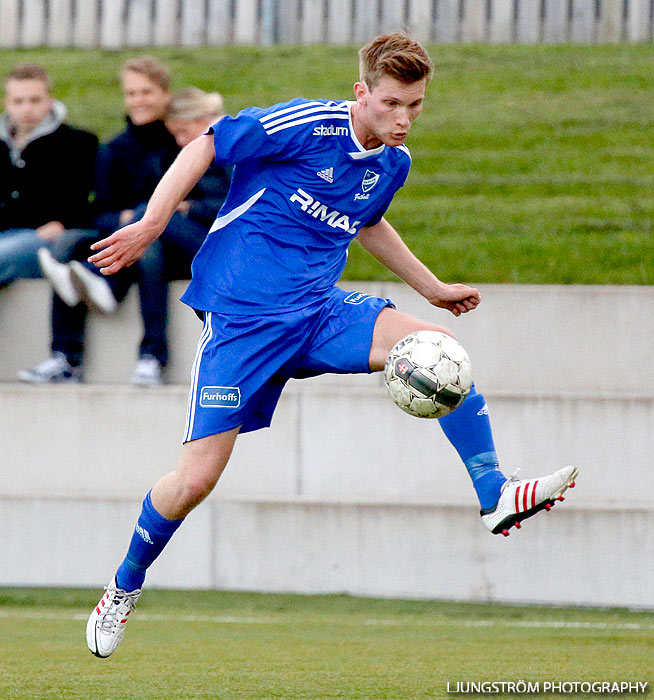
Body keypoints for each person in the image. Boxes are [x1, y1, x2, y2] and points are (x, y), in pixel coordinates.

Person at [85, 33, 579, 658]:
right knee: (194, 482)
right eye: (392, 103)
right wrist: (153, 224)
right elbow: (208, 143)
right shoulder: (306, 126)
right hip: (243, 323)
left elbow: (368, 222)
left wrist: (430, 289)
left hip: (319, 312)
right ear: (362, 92)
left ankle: (494, 493)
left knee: (439, 348)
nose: (404, 119)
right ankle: (124, 584)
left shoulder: (391, 163)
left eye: (416, 105)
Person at [25, 86, 232, 385]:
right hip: (183, 236)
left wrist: (191, 207)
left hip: (223, 242)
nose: (180, 141)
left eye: (183, 131)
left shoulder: (233, 146)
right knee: (137, 240)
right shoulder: (178, 149)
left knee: (147, 218)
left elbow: (240, 203)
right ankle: (82, 351)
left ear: (204, 119)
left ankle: (106, 281)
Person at [18, 56, 179, 384]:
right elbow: (102, 210)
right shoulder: (114, 149)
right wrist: (124, 219)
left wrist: (139, 218)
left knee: (147, 244)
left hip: (165, 241)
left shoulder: (179, 142)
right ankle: (65, 359)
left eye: (146, 92)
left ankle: (151, 357)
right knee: (64, 245)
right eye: (131, 93)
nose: (137, 100)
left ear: (165, 94)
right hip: (117, 232)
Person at [0, 63, 97, 287]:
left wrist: (63, 222)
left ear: (49, 101)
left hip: (45, 237)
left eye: (35, 100)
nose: (26, 109)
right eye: (18, 101)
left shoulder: (78, 142)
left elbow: (80, 196)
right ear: (7, 103)